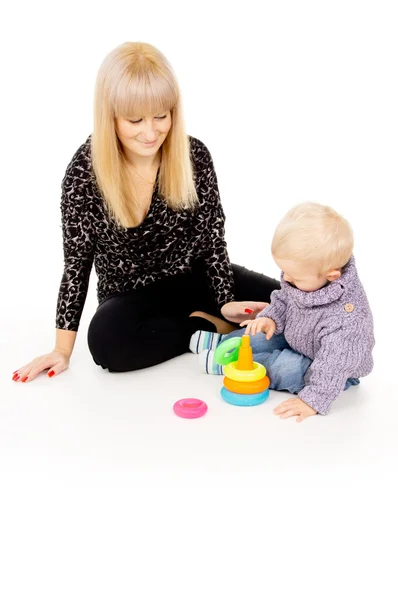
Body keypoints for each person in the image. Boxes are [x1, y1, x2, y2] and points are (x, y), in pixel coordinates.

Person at [12, 41, 279, 384]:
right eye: (135, 119)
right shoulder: (84, 171)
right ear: (110, 117)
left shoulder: (194, 154)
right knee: (107, 344)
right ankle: (203, 327)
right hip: (130, 296)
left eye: (161, 116)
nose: (151, 132)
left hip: (197, 278)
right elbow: (76, 264)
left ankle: (217, 317)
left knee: (288, 299)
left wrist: (225, 300)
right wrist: (61, 350)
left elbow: (212, 239)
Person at [193, 203, 375, 421]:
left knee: (286, 368)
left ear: (332, 275)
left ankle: (236, 367)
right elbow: (283, 297)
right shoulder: (308, 277)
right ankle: (226, 343)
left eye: (293, 277)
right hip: (298, 337)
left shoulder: (347, 322)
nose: (286, 279)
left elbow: (333, 365)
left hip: (330, 368)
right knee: (258, 334)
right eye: (284, 272)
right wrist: (270, 317)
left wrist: (313, 400)